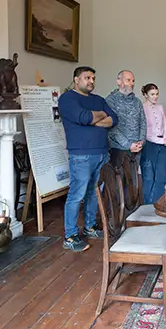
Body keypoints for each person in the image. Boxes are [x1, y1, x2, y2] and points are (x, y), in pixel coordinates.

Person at [58, 66, 118, 252]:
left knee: (94, 192)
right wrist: (98, 116)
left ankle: (90, 227)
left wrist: (93, 118)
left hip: (102, 152)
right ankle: (70, 235)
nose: (91, 81)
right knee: (77, 194)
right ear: (76, 79)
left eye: (93, 78)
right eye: (87, 78)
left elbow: (114, 119)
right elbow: (82, 116)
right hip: (81, 154)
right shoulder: (67, 99)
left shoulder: (99, 100)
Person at [106, 70, 146, 170]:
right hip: (119, 150)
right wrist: (128, 145)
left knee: (134, 183)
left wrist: (141, 141)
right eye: (128, 80)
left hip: (137, 149)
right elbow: (111, 127)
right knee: (118, 184)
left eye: (133, 81)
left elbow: (143, 122)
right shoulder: (110, 100)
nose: (132, 83)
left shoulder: (137, 101)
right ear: (119, 81)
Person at [141, 83, 166, 203]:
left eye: (157, 94)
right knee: (149, 176)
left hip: (163, 144)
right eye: (152, 94)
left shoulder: (160, 107)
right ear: (145, 95)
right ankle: (148, 204)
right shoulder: (142, 108)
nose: (155, 97)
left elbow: (165, 124)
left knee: (162, 175)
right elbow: (144, 129)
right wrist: (160, 140)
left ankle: (160, 203)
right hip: (149, 144)